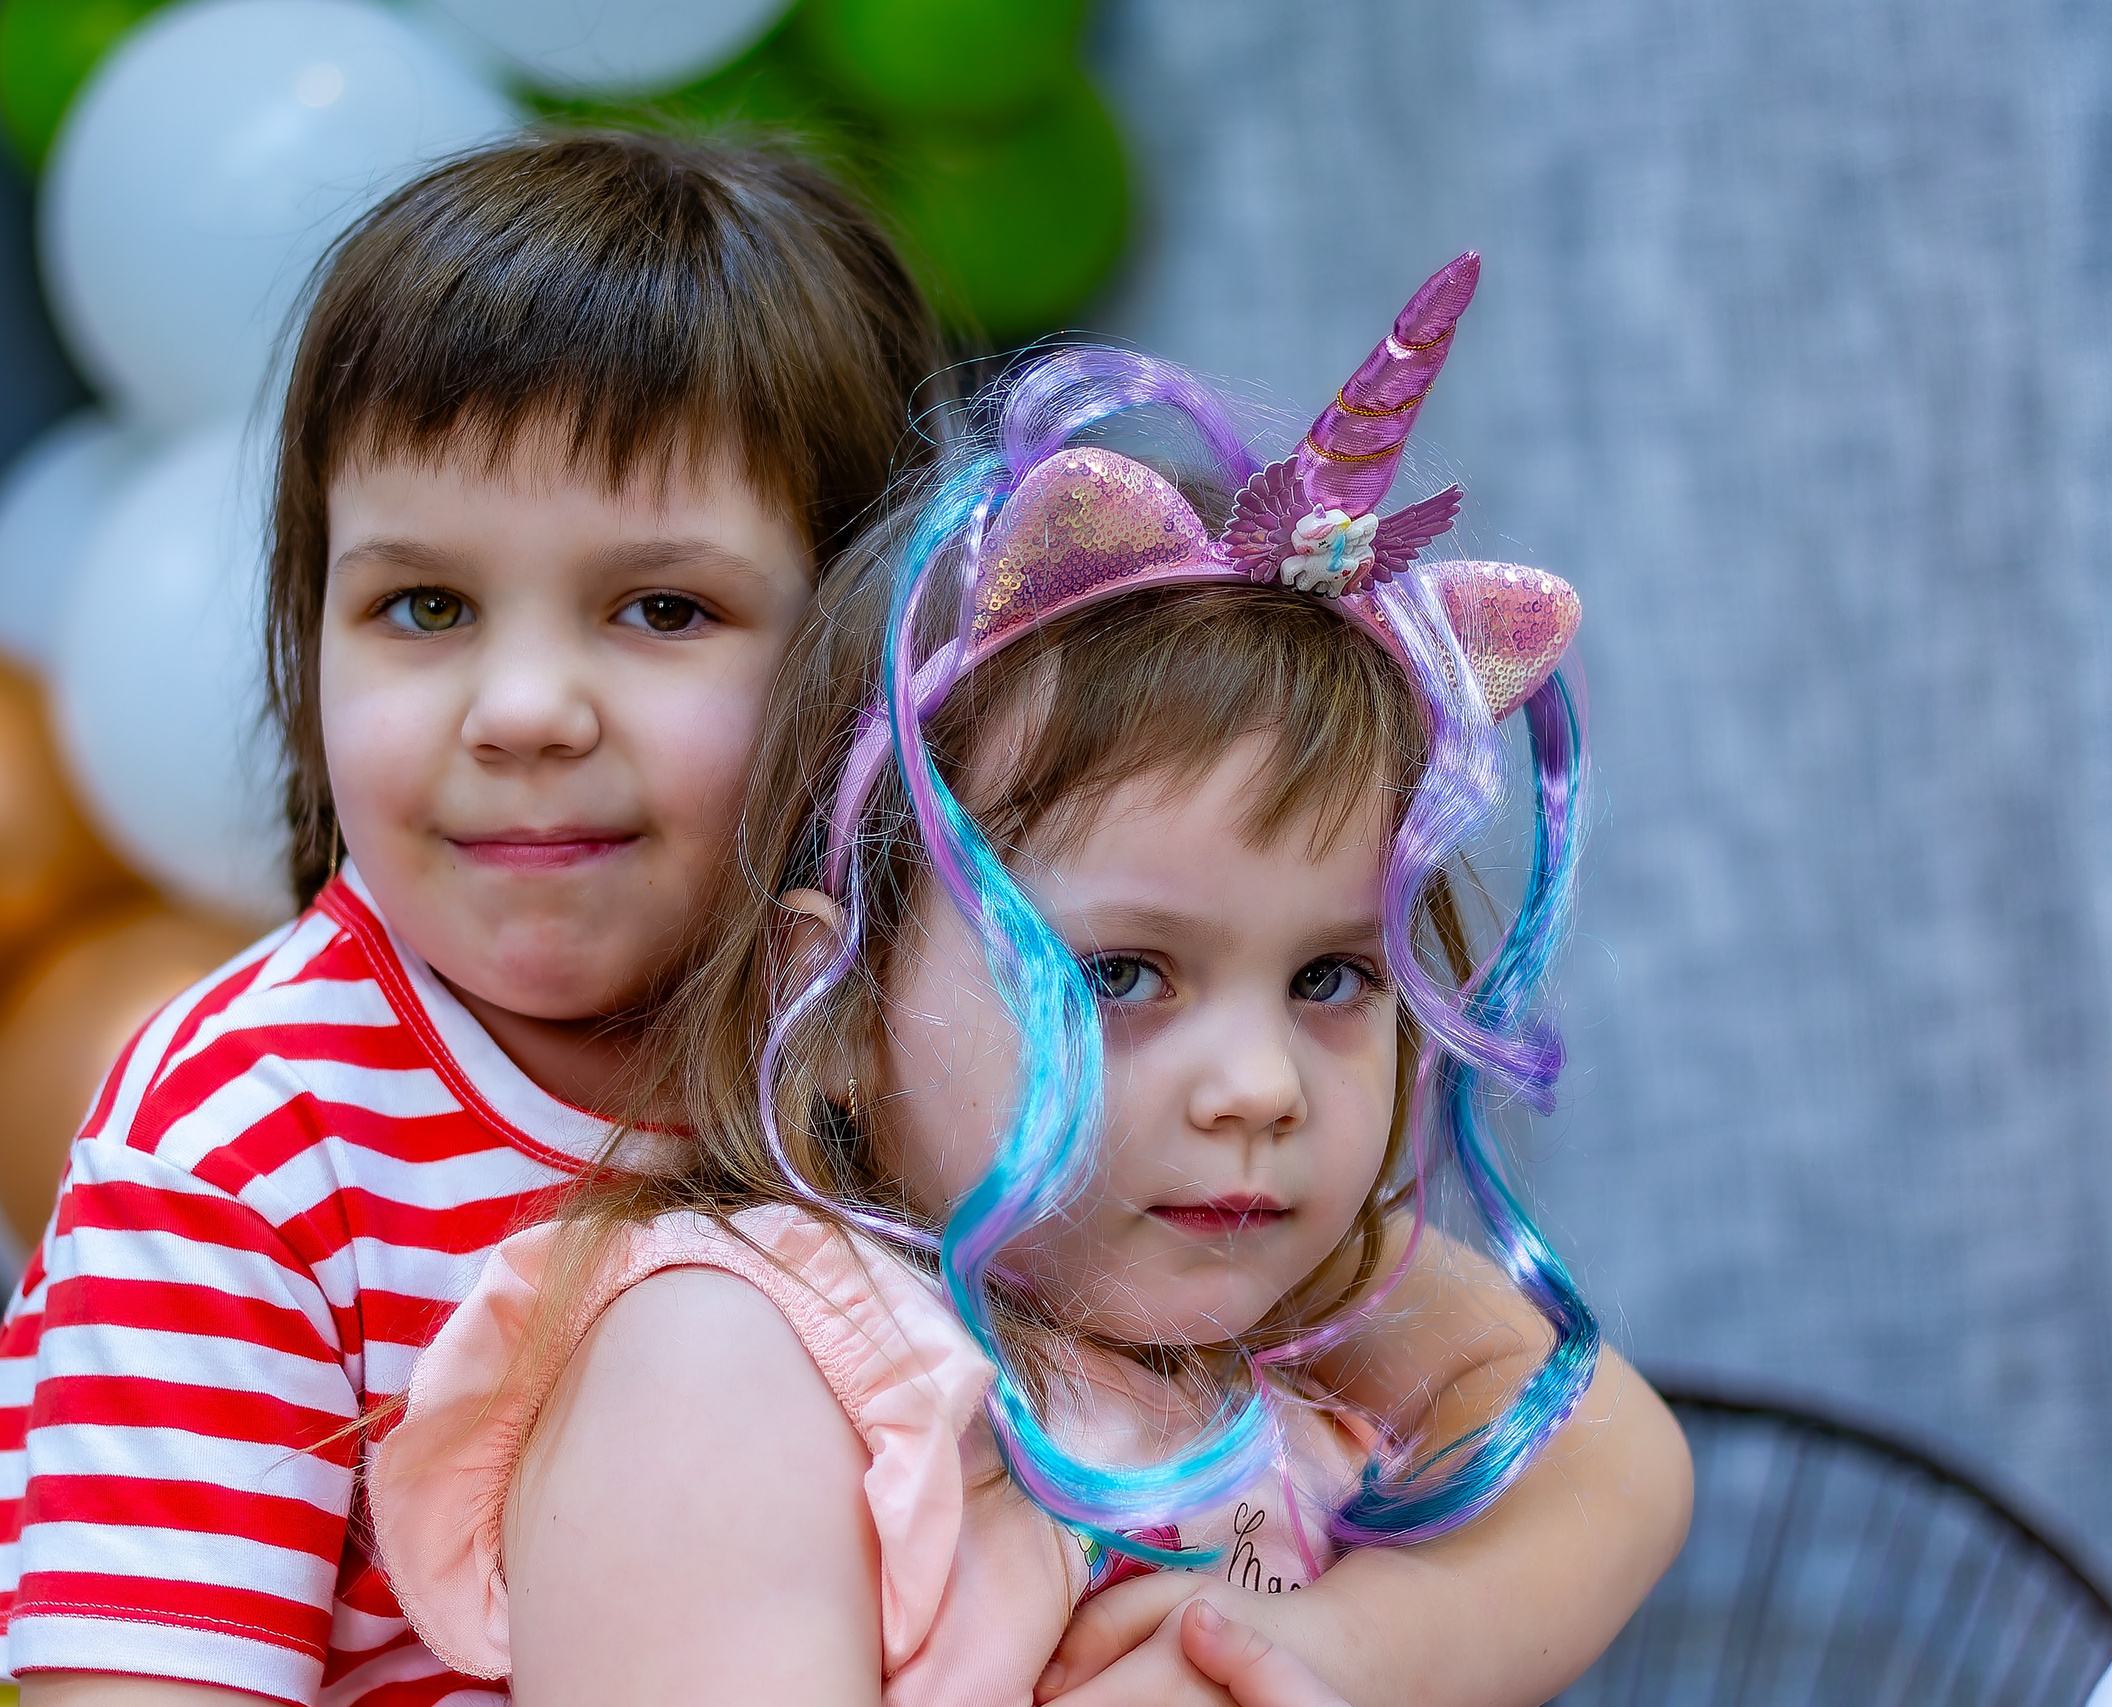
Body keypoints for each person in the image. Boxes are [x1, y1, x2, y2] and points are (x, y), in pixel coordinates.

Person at [0, 139, 1684, 1705]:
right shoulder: (248, 1126)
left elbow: (1598, 1452)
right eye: (423, 605)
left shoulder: (965, 1031)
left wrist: (1351, 1652)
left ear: (879, 657)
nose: (521, 707)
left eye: (662, 608)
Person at [365, 263, 1689, 1707]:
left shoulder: (1270, 1302)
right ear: (841, 1011)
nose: (1258, 1087)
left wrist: (1334, 1654)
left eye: (1331, 975)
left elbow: (1616, 1465)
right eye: (1120, 974)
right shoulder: (741, 1359)